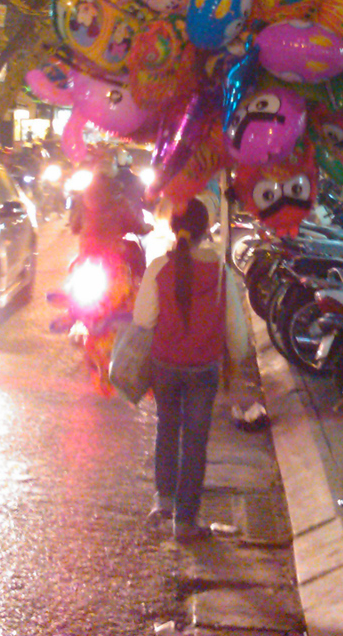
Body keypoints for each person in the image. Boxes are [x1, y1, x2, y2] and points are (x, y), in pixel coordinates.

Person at [131, 198, 250, 545]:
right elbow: (237, 333)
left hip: (165, 364)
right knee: (195, 442)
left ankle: (164, 501)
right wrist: (237, 361)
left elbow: (142, 319)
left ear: (172, 227)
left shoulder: (159, 268)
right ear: (206, 230)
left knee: (167, 428)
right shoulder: (220, 273)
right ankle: (185, 521)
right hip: (203, 368)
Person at [71, 151, 147, 276]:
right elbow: (136, 224)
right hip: (113, 253)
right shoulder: (119, 199)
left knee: (73, 273)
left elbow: (75, 226)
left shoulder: (82, 198)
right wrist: (146, 228)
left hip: (87, 251)